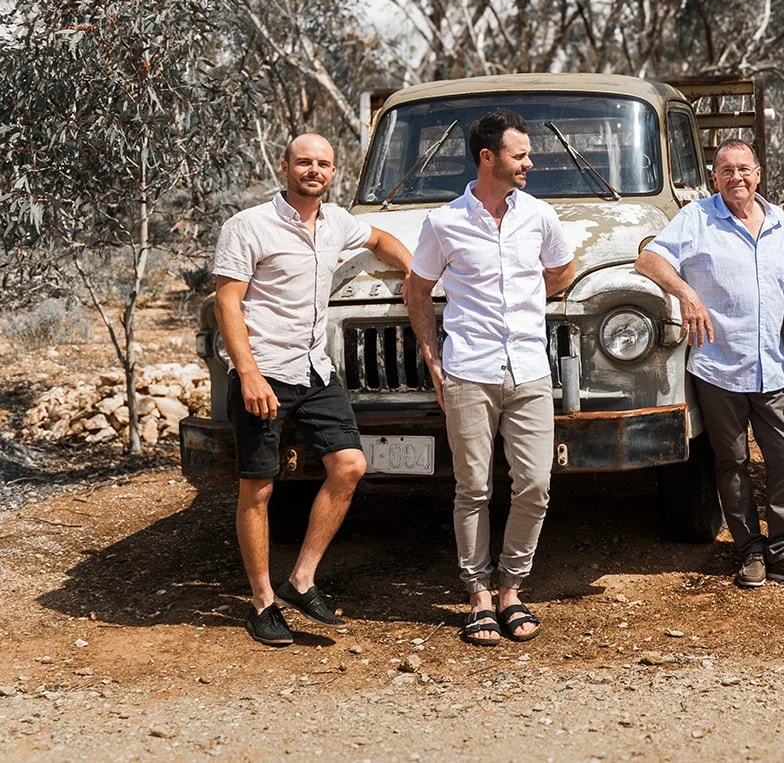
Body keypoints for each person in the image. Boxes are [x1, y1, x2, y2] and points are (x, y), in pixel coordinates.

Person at [213, 133, 413, 647]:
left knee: (350, 465)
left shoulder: (337, 222)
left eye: (323, 163)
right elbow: (227, 303)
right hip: (264, 372)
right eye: (304, 162)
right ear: (285, 166)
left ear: (333, 171)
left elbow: (379, 239)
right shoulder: (248, 226)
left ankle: (301, 581)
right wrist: (248, 373)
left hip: (315, 371)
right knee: (259, 488)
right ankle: (262, 603)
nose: (314, 171)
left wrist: (416, 271)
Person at [403, 110, 576, 646]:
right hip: (469, 371)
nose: (529, 163)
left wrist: (526, 300)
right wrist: (433, 358)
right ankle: (478, 594)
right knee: (473, 488)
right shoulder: (443, 222)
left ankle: (511, 588)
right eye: (520, 155)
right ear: (487, 158)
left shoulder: (540, 216)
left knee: (536, 484)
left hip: (529, 370)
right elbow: (417, 290)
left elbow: (562, 270)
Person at [634, 139, 784, 590]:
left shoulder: (780, 222)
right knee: (732, 460)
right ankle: (750, 550)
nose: (736, 177)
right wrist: (687, 293)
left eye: (743, 169)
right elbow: (648, 260)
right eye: (726, 170)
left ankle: (783, 551)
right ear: (714, 178)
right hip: (719, 365)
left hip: (773, 365)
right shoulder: (696, 218)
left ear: (758, 173)